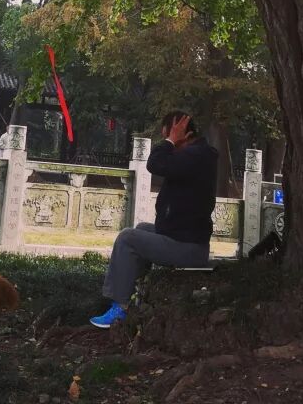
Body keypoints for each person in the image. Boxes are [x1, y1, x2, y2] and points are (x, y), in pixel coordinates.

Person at [90, 110, 218, 328]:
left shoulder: (196, 156)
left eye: (168, 136)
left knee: (128, 238)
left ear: (183, 135)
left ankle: (120, 307)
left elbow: (155, 164)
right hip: (183, 237)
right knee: (141, 228)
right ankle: (134, 296)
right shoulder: (196, 155)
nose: (167, 143)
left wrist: (170, 140)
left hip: (188, 248)